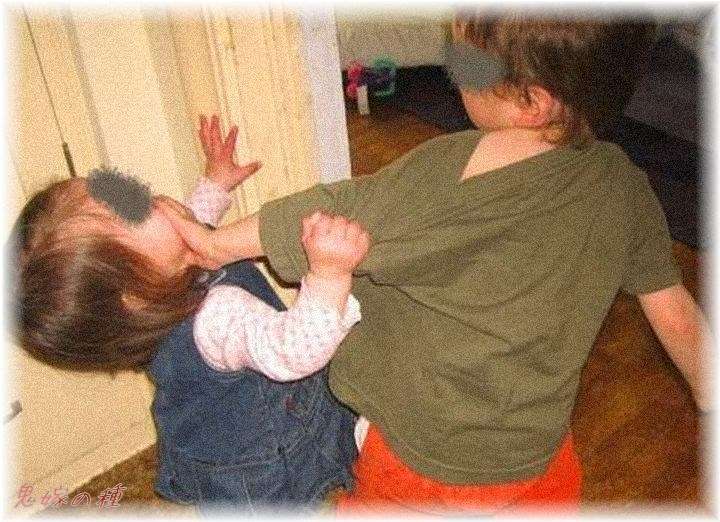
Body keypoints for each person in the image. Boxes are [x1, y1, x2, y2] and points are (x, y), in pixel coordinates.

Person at [157, 11, 710, 515]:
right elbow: (677, 314)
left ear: (532, 101)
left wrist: (214, 245)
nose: (454, 69)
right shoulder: (626, 186)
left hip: (423, 460)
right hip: (535, 457)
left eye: (467, 61)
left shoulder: (452, 168)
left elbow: (330, 213)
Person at [11, 115, 370, 513]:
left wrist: (216, 182)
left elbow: (191, 224)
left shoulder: (163, 269)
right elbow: (294, 352)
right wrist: (329, 275)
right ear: (135, 294)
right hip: (260, 458)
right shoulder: (216, 316)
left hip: (235, 424)